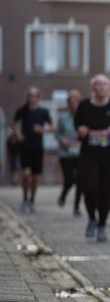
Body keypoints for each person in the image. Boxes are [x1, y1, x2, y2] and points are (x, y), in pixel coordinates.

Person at [75, 74, 110, 242]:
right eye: (98, 84)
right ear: (93, 87)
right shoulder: (84, 105)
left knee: (106, 191)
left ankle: (102, 225)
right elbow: (77, 123)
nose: (101, 87)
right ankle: (92, 218)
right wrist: (81, 130)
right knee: (90, 187)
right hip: (89, 154)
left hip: (109, 154)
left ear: (109, 87)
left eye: (104, 84)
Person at [14, 86, 53, 214]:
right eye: (30, 96)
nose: (32, 98)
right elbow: (15, 124)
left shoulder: (43, 112)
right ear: (27, 97)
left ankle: (32, 200)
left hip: (37, 147)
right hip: (25, 147)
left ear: (38, 97)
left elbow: (52, 127)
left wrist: (42, 130)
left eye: (35, 96)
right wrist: (18, 134)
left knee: (35, 177)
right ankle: (25, 198)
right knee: (26, 174)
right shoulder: (22, 111)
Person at [55, 89, 83, 216]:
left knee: (80, 180)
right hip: (66, 153)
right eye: (71, 102)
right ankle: (63, 194)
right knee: (69, 179)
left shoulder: (83, 117)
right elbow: (57, 133)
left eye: (75, 102)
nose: (73, 105)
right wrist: (63, 140)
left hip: (80, 152)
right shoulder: (63, 118)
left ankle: (76, 206)